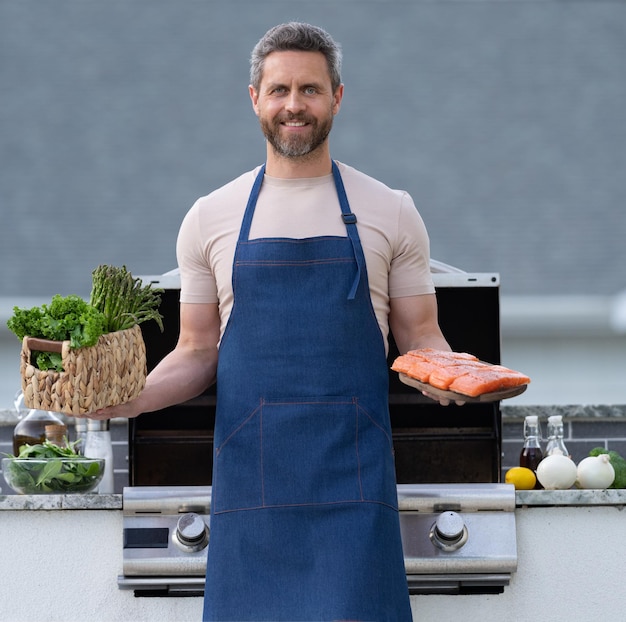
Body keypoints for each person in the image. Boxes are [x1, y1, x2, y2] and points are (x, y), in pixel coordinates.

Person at [86, 21, 456, 621]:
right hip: (251, 492)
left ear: (337, 97)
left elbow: (420, 335)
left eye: (310, 90)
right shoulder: (211, 217)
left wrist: (449, 374)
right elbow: (197, 351)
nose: (294, 105)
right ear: (254, 97)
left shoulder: (391, 210)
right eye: (279, 89)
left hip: (354, 491)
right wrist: (132, 399)